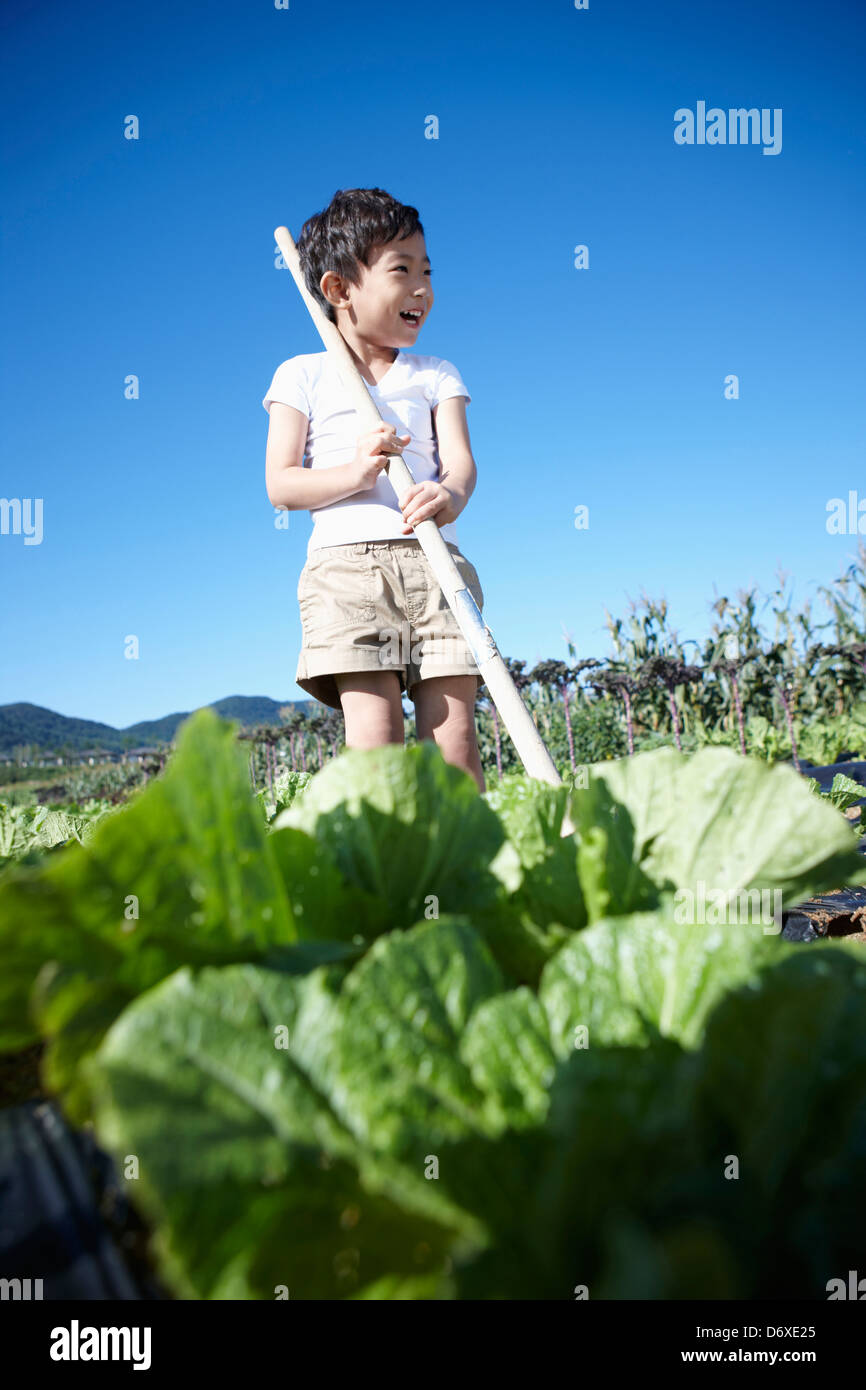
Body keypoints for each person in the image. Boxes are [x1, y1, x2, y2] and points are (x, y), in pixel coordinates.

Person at [263, 187, 486, 792]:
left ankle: (465, 875)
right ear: (338, 291)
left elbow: (461, 466)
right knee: (376, 743)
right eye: (402, 271)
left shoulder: (436, 374)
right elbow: (281, 485)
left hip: (437, 565)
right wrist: (357, 475)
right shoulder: (302, 375)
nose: (422, 288)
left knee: (455, 744)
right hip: (347, 573)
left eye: (427, 271)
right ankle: (389, 876)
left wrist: (450, 497)